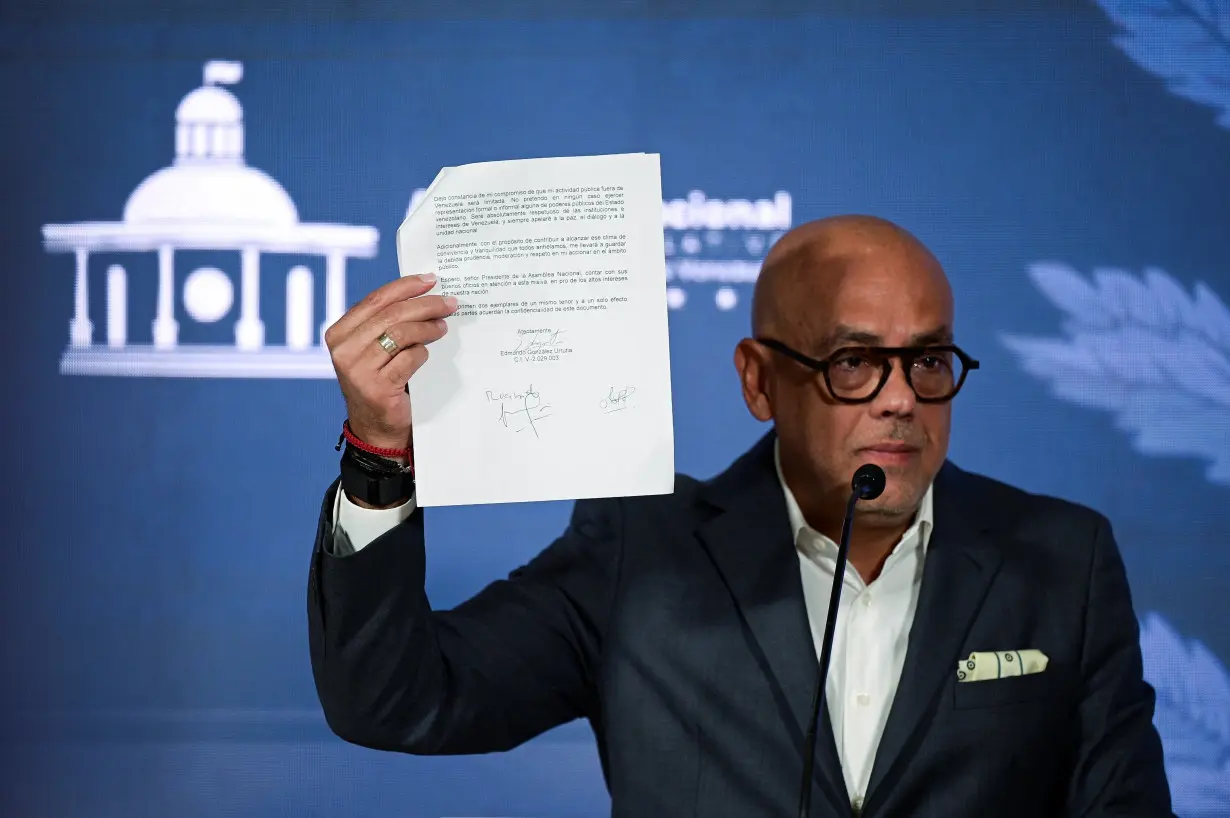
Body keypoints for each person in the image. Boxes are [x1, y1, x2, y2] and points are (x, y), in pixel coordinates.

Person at [308, 215, 1174, 817]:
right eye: (855, 363)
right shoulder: (641, 554)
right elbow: (397, 701)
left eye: (931, 360)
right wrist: (381, 457)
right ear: (759, 380)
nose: (903, 401)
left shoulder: (1063, 560)